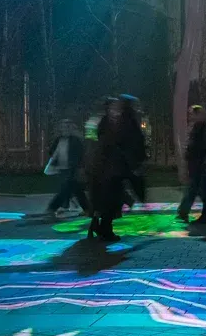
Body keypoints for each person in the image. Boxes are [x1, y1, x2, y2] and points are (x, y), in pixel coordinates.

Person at [84, 97, 128, 239]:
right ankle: (105, 229)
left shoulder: (101, 122)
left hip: (102, 168)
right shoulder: (106, 124)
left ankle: (98, 225)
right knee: (109, 201)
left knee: (103, 200)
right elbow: (108, 145)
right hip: (106, 169)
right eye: (115, 107)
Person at [177, 103, 206, 228]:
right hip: (197, 164)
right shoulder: (198, 126)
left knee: (201, 188)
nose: (190, 116)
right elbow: (193, 145)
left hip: (205, 164)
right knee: (198, 188)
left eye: (192, 114)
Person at [40, 119, 86, 218]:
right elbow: (53, 151)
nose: (65, 129)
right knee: (75, 189)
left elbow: (80, 154)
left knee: (66, 188)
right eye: (63, 126)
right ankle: (87, 208)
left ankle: (52, 207)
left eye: (67, 126)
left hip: (72, 168)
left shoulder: (75, 140)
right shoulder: (59, 139)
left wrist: (79, 167)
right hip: (62, 168)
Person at [115, 94, 148, 208]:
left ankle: (131, 200)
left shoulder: (126, 118)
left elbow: (134, 139)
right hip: (129, 157)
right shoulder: (131, 117)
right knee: (131, 180)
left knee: (125, 180)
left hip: (127, 157)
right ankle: (133, 200)